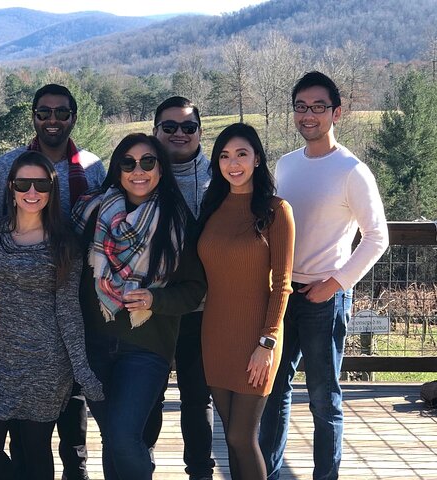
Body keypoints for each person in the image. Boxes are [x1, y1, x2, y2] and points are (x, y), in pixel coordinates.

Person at [259, 71, 389, 480]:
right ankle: (268, 473)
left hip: (325, 298)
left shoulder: (352, 170)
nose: (308, 115)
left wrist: (334, 285)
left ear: (336, 112)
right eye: (301, 107)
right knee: (273, 391)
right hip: (282, 293)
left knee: (322, 398)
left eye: (318, 106)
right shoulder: (286, 164)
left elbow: (377, 237)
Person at [0, 83, 105, 480]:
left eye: (61, 112)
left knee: (66, 416)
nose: (53, 119)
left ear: (73, 117)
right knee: (5, 443)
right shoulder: (9, 165)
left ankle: (76, 469)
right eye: (44, 112)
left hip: (75, 291)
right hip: (11, 331)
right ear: (33, 116)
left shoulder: (92, 167)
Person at [73, 133, 207, 480]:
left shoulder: (177, 221)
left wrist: (155, 299)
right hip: (95, 344)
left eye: (148, 162)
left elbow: (194, 289)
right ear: (117, 169)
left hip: (146, 347)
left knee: (123, 436)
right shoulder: (92, 212)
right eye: (128, 163)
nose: (138, 171)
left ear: (161, 169)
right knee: (113, 438)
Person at [196, 123, 295, 479]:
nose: (233, 163)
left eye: (241, 154)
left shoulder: (276, 211)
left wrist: (266, 343)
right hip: (215, 336)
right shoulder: (212, 208)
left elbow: (282, 284)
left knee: (242, 436)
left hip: (258, 338)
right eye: (224, 156)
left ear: (256, 159)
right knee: (231, 436)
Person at [146, 96, 215, 479]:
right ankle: (141, 468)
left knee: (197, 399)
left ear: (200, 132)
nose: (179, 134)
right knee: (148, 398)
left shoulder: (219, 176)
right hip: (152, 307)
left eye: (188, 127)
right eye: (169, 127)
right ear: (155, 130)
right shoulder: (140, 171)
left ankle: (200, 472)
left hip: (203, 308)